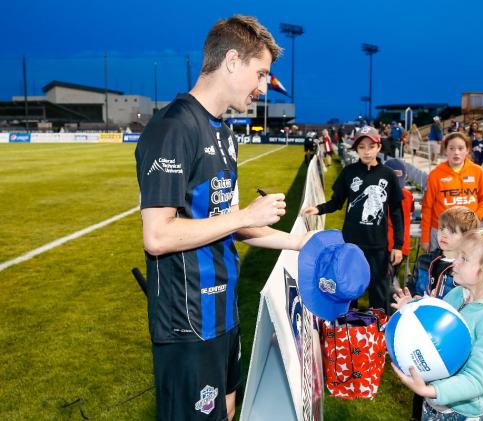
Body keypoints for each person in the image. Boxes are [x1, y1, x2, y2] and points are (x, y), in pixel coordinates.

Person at [134, 15, 313, 421]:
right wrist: (243, 215)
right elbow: (158, 236)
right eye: (261, 73)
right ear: (232, 60)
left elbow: (228, 220)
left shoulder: (225, 135)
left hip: (224, 312)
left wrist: (300, 243)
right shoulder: (174, 128)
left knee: (228, 410)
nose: (263, 86)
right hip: (187, 320)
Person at [392, 228, 483, 421]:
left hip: (461, 413)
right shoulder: (459, 294)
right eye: (458, 256)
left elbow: (477, 379)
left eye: (464, 259)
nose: (455, 262)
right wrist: (411, 311)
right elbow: (436, 329)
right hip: (434, 403)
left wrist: (431, 389)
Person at [301, 126, 404, 312]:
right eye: (362, 147)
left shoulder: (388, 175)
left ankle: (378, 331)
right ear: (356, 149)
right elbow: (336, 202)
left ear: (379, 147)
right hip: (351, 244)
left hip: (378, 246)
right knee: (348, 288)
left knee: (378, 292)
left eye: (371, 146)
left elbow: (397, 212)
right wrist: (318, 209)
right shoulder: (349, 172)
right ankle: (348, 331)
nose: (367, 151)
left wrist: (398, 245)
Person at [421, 132, 483, 252]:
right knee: (440, 269)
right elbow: (427, 207)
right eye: (452, 148)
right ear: (445, 151)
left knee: (467, 268)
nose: (456, 152)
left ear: (467, 150)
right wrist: (425, 238)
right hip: (441, 232)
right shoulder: (435, 174)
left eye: (460, 148)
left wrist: (475, 217)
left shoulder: (478, 171)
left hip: (469, 231)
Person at [385, 158, 414, 291]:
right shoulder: (408, 195)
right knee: (391, 278)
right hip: (403, 246)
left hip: (389, 246)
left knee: (386, 283)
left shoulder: (384, 195)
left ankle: (387, 309)